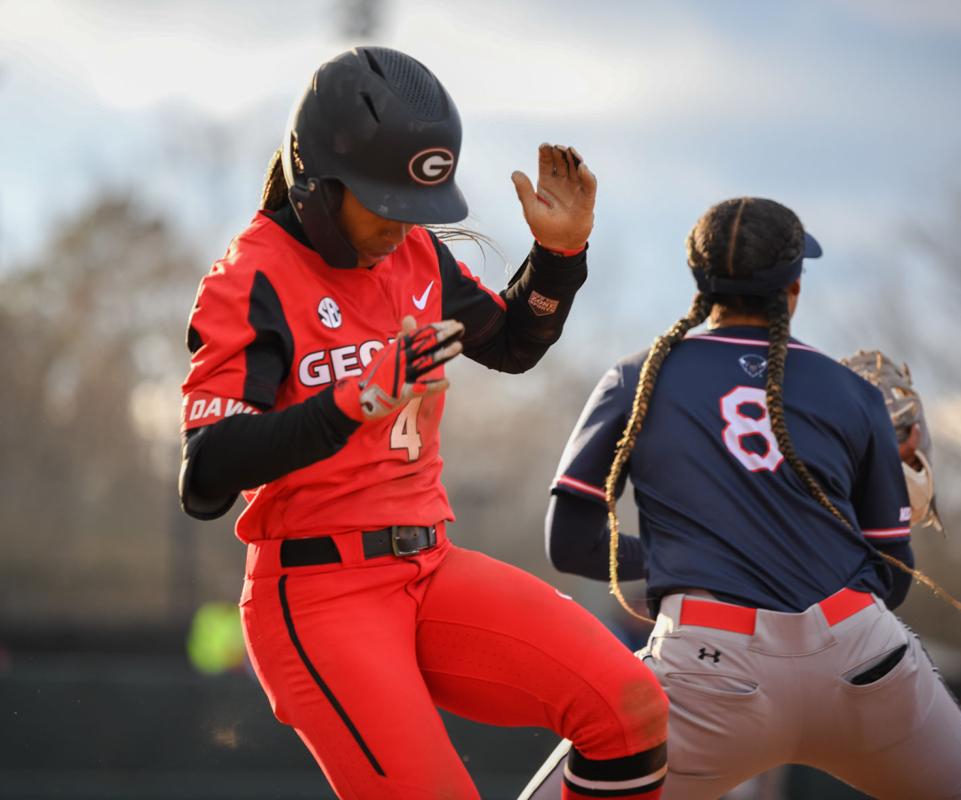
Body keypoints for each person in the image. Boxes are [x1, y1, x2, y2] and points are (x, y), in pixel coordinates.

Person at [178, 47, 668, 800]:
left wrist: (560, 256)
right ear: (317, 180)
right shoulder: (253, 276)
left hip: (432, 568)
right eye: (384, 200)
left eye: (415, 204)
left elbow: (508, 343)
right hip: (321, 594)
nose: (402, 223)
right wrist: (348, 405)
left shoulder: (413, 254)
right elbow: (205, 473)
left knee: (630, 712)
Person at [518, 197, 961, 799]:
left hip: (706, 663)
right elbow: (893, 574)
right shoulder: (853, 393)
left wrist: (697, 560)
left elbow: (568, 544)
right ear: (793, 288)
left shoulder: (639, 377)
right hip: (860, 658)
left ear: (698, 283)